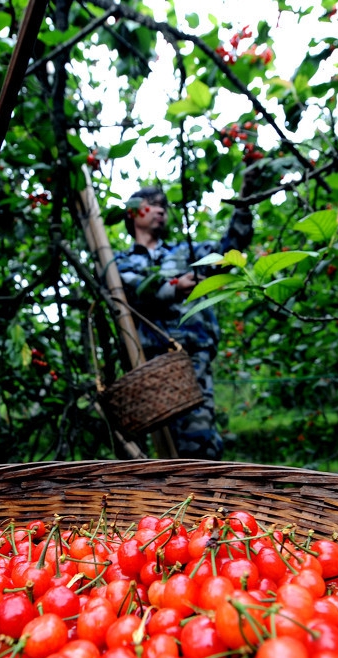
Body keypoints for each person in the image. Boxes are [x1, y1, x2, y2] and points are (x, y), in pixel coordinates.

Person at [113, 185, 254, 459]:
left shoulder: (186, 253)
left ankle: (204, 498)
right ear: (132, 214)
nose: (160, 210)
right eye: (150, 205)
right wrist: (174, 287)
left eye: (163, 206)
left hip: (191, 354)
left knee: (198, 438)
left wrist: (245, 201)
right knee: (149, 447)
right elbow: (126, 287)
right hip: (147, 360)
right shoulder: (121, 260)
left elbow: (229, 251)